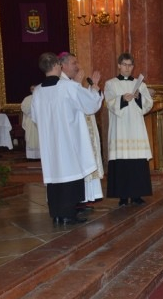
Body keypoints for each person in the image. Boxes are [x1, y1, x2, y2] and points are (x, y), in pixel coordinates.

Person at [30, 52, 103, 224]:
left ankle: (57, 215)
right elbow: (90, 105)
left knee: (54, 177)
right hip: (69, 141)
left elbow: (35, 117)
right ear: (57, 65)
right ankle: (69, 214)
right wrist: (95, 89)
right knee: (71, 174)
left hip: (50, 144)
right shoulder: (68, 87)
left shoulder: (38, 91)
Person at [104, 52, 154, 207]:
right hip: (120, 127)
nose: (127, 68)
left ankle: (137, 195)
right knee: (122, 161)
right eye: (124, 65)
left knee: (137, 161)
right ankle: (123, 196)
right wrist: (122, 99)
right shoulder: (110, 84)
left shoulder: (141, 85)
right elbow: (109, 102)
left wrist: (139, 98)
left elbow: (148, 104)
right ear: (119, 65)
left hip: (136, 127)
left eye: (130, 65)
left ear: (133, 67)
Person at [58, 52, 104, 207]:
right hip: (70, 135)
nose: (77, 67)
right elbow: (86, 105)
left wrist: (92, 88)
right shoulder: (63, 84)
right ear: (63, 65)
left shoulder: (71, 83)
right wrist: (84, 86)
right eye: (74, 63)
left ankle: (82, 199)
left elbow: (86, 104)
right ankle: (75, 202)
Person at [20, 85, 40, 159]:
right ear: (30, 90)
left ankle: (39, 155)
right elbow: (23, 107)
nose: (33, 90)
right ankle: (31, 156)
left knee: (39, 137)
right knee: (30, 136)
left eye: (34, 88)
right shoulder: (27, 98)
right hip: (30, 121)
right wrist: (31, 114)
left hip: (39, 120)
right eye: (32, 89)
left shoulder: (41, 97)